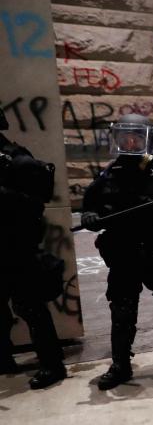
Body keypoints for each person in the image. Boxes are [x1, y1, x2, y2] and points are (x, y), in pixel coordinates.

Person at [80, 114, 153, 390]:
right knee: (122, 312)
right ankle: (121, 365)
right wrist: (89, 216)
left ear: (147, 139)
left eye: (136, 136)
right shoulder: (110, 174)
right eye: (125, 137)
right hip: (124, 255)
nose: (131, 141)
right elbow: (91, 204)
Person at [0, 109, 67, 389]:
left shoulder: (15, 160)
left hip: (16, 246)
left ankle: (52, 364)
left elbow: (35, 205)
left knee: (30, 307)